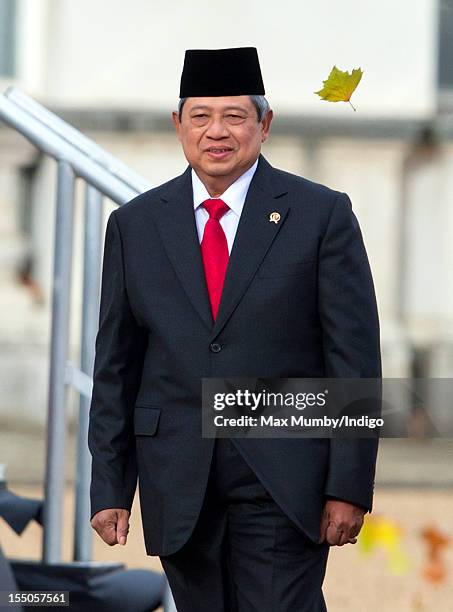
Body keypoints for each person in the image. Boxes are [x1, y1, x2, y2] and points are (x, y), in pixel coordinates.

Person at [88, 47, 381, 611]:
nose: (216, 131)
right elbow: (116, 366)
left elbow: (354, 358)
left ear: (264, 124)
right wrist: (110, 486)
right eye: (200, 116)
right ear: (179, 125)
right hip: (178, 479)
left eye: (235, 116)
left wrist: (348, 485)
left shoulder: (320, 215)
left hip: (284, 477)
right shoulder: (136, 225)